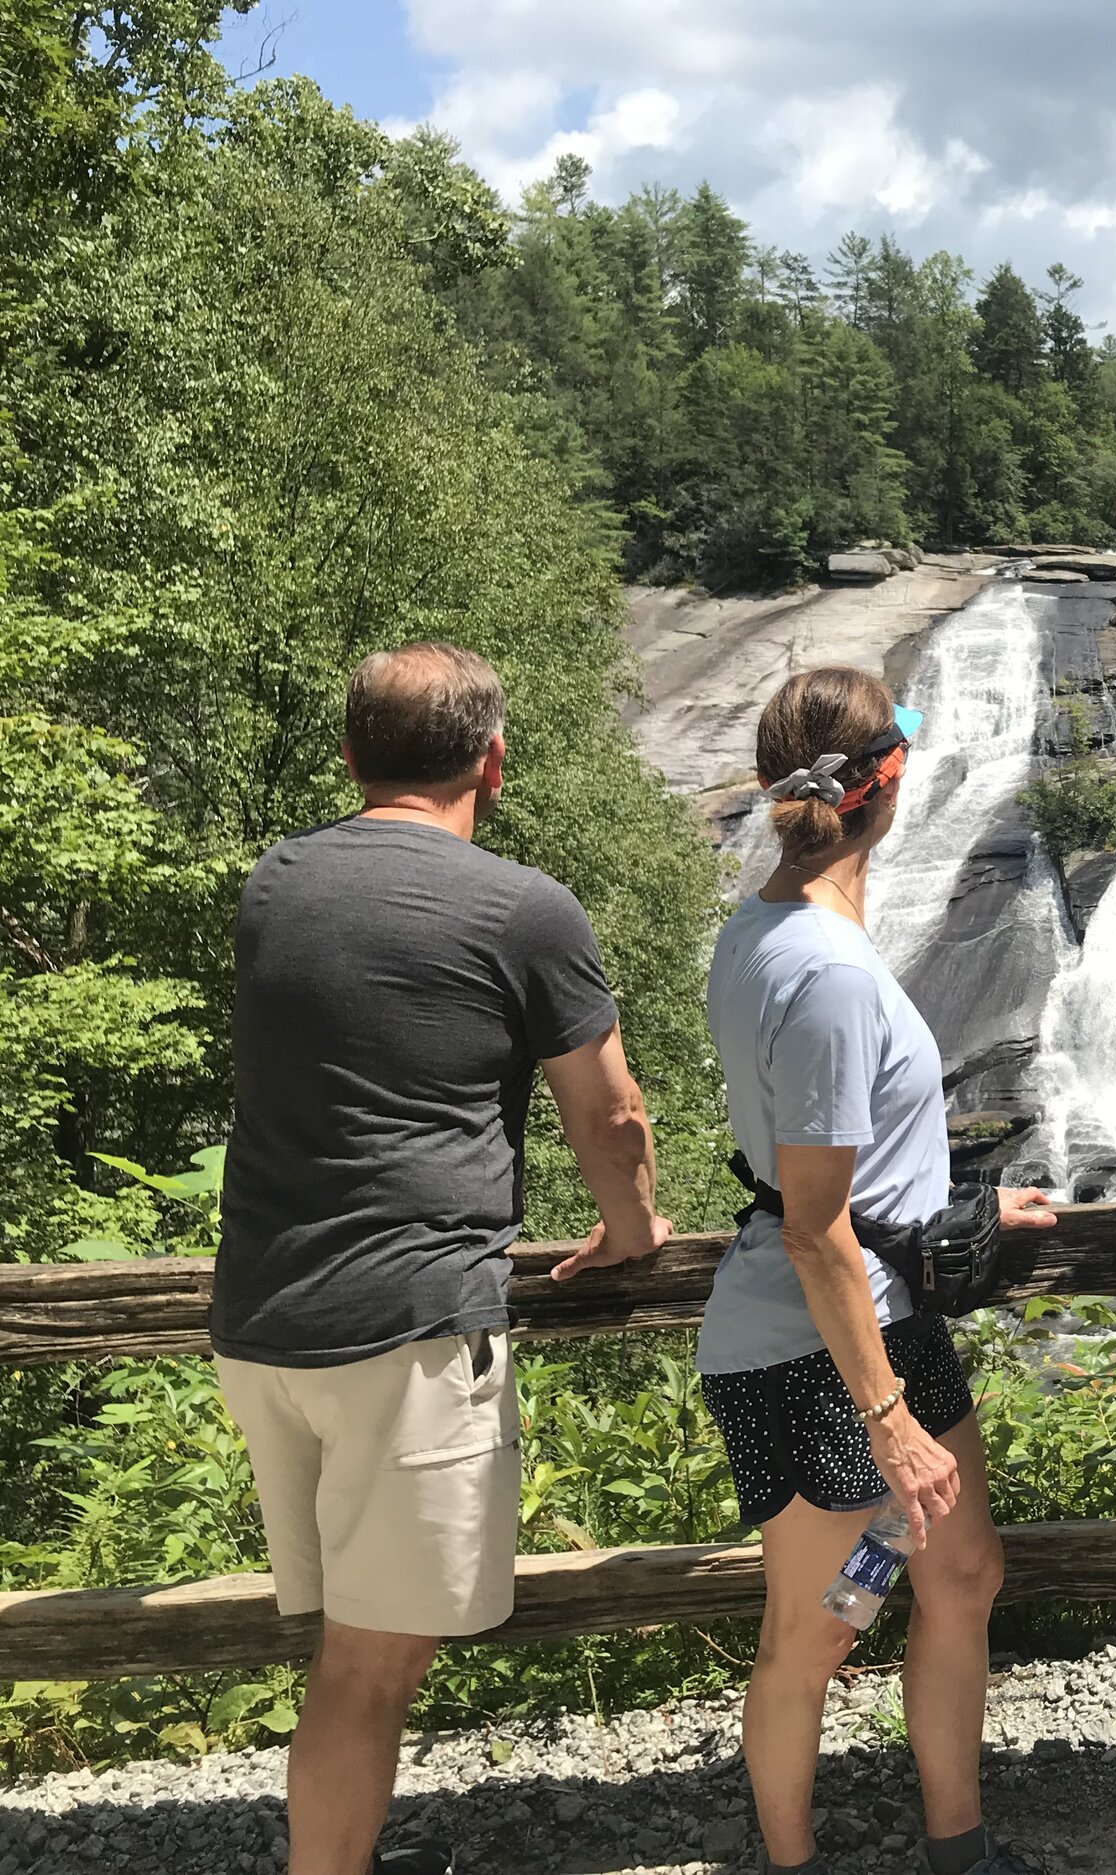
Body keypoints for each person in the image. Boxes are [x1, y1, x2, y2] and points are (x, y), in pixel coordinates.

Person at [213, 644, 672, 1875]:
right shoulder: (522, 906)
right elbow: (612, 1114)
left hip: (263, 1322)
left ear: (352, 757)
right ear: (493, 761)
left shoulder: (277, 879)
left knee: (341, 1653)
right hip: (406, 1329)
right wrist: (635, 1235)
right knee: (369, 1669)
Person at [698, 666, 1059, 1875]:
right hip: (823, 1347)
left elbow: (834, 1158)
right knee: (814, 1636)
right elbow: (811, 1225)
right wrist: (889, 1421)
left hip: (879, 1313)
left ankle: (959, 1846)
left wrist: (953, 1206)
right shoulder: (837, 976)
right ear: (889, 785)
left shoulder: (762, 926)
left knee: (963, 1573)